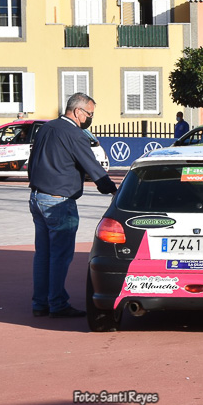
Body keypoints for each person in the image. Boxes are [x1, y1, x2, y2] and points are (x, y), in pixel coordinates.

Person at [28, 93, 118, 318]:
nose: (90, 118)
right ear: (78, 111)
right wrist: (113, 190)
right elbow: (92, 166)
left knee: (43, 254)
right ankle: (57, 303)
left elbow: (32, 162)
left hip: (37, 197)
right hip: (59, 201)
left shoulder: (46, 128)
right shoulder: (75, 134)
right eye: (90, 114)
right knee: (60, 255)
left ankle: (40, 303)